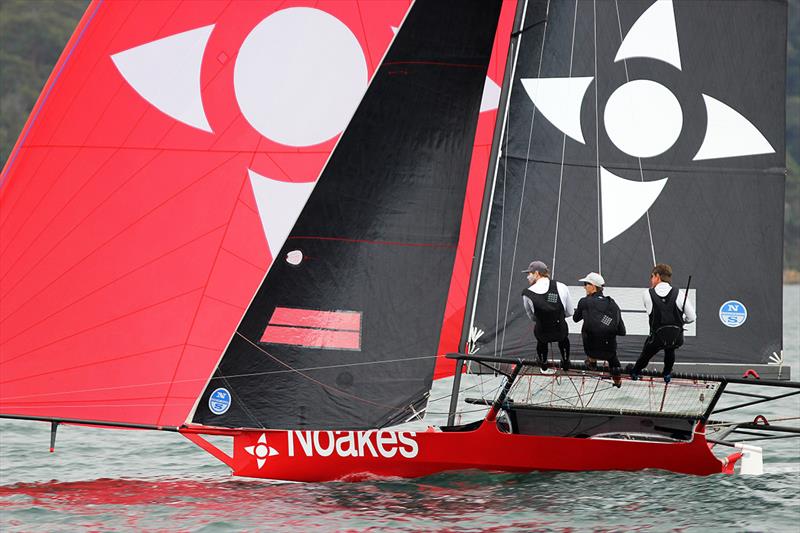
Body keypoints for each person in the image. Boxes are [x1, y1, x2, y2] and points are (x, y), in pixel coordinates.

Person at [630, 263, 696, 383]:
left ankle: (635, 372)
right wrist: (681, 322)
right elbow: (692, 317)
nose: (651, 280)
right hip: (676, 338)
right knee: (670, 349)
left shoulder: (647, 294)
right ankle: (666, 374)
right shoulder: (680, 294)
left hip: (656, 339)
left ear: (657, 276)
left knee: (646, 353)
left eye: (652, 276)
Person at [572, 272, 626, 388]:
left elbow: (575, 319)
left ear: (593, 286)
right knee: (613, 361)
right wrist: (605, 321)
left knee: (590, 329)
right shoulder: (613, 305)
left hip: (591, 350)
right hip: (610, 351)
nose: (584, 287)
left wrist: (587, 312)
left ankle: (592, 361)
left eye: (586, 284)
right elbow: (622, 331)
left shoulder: (584, 302)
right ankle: (617, 382)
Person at [521, 260, 574, 372]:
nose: (527, 277)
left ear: (536, 273)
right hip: (560, 330)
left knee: (541, 340)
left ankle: (543, 362)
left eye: (529, 274)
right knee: (563, 339)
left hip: (542, 332)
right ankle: (565, 361)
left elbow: (532, 317)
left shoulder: (527, 293)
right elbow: (570, 312)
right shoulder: (562, 286)